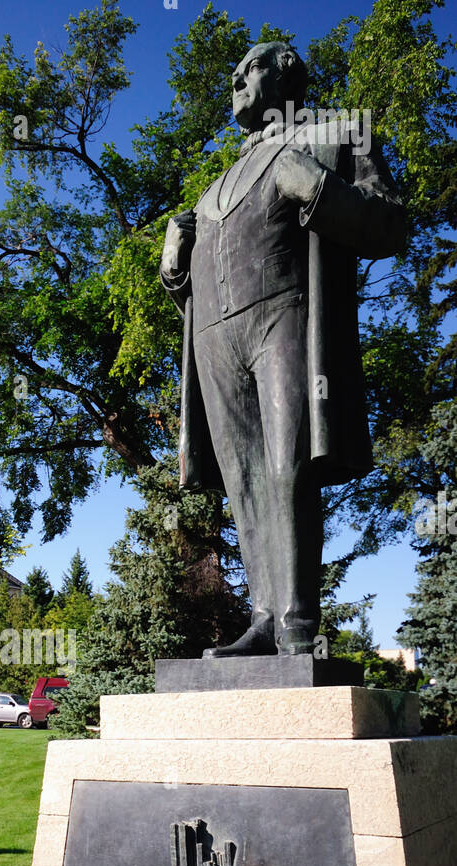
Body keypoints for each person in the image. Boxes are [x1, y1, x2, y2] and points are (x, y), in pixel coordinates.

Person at [159, 41, 405, 656]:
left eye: (250, 67)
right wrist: (173, 271)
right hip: (215, 336)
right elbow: (197, 283)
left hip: (284, 319)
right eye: (234, 73)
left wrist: (317, 186)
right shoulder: (215, 187)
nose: (237, 79)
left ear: (287, 72)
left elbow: (390, 224)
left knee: (285, 467)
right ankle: (264, 618)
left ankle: (298, 626)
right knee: (242, 479)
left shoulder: (338, 135)